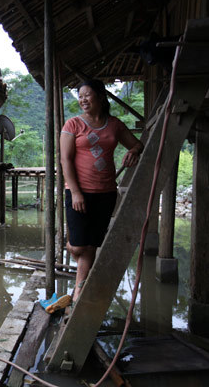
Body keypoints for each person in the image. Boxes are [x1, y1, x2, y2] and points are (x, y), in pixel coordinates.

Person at [46, 79, 143, 314]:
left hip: (106, 192)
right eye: (80, 96)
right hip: (78, 193)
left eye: (87, 95)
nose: (83, 100)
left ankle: (79, 293)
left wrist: (132, 152)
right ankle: (80, 288)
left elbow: (138, 145)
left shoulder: (115, 125)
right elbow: (65, 160)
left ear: (100, 97)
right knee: (78, 246)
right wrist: (76, 191)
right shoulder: (73, 125)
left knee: (91, 245)